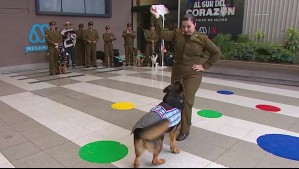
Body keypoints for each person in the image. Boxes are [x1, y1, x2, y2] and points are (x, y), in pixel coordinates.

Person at [150, 6, 222, 141]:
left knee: (187, 101)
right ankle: (176, 123)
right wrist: (157, 19)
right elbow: (162, 35)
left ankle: (185, 130)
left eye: (188, 26)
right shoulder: (177, 33)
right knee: (174, 99)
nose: (185, 29)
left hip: (192, 74)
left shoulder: (202, 38)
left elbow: (216, 52)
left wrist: (204, 65)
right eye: (183, 27)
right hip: (177, 72)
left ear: (195, 25)